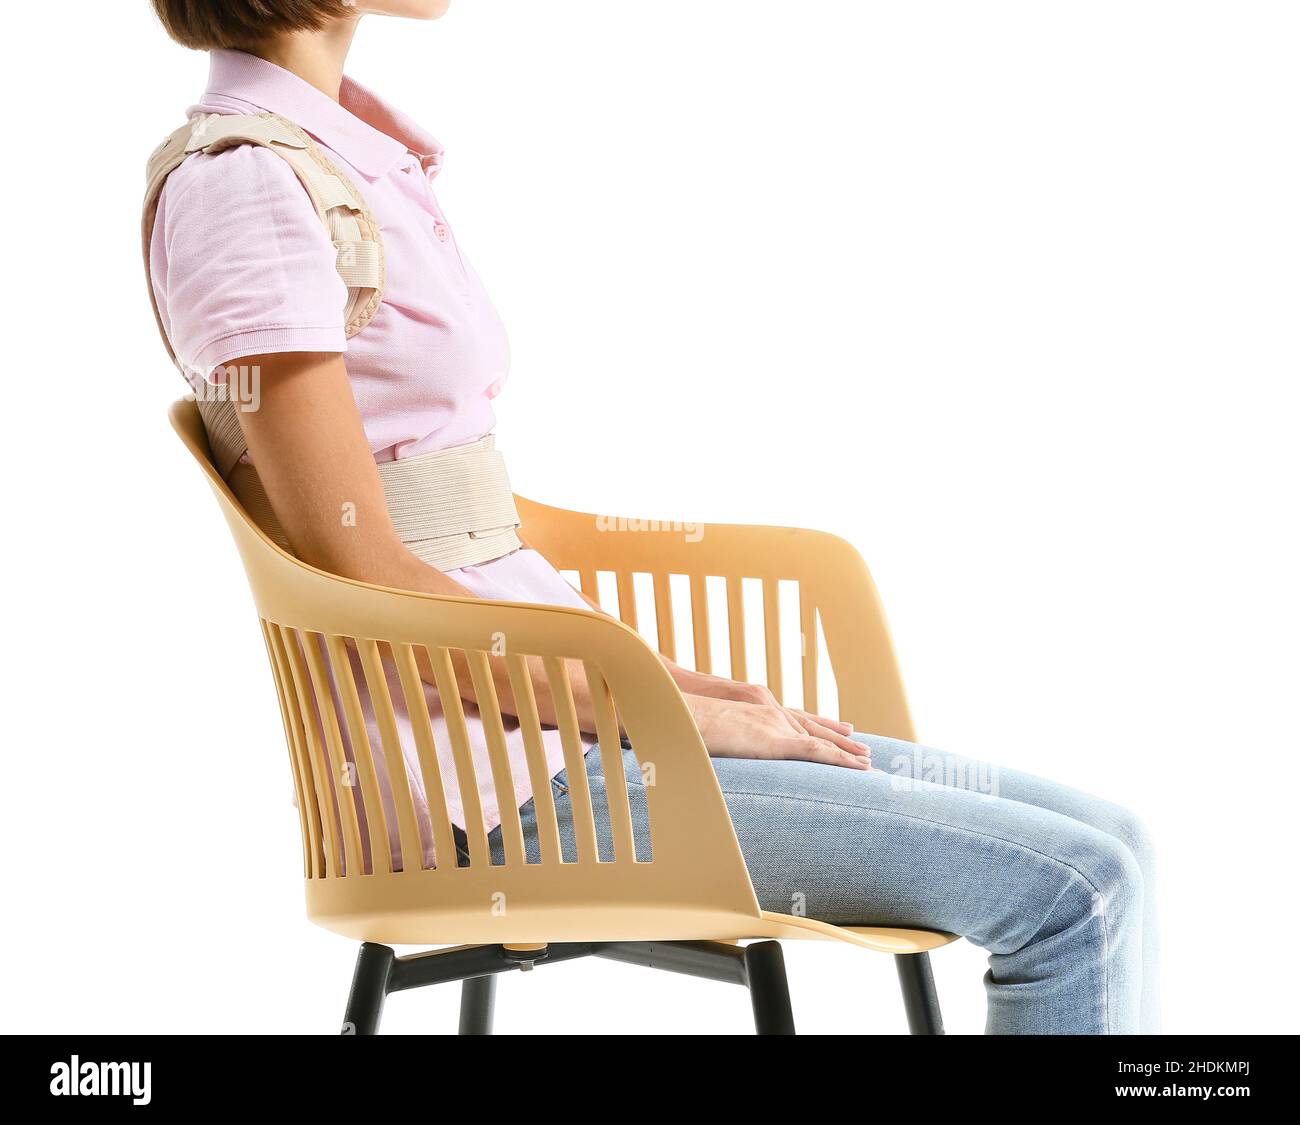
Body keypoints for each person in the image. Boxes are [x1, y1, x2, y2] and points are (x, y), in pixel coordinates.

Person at [146, 0, 1158, 1033]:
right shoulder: (248, 184)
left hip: (548, 722)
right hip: (483, 788)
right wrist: (660, 714)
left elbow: (461, 528)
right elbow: (359, 573)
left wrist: (679, 688)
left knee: (1117, 842)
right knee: (1073, 891)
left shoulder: (344, 157)